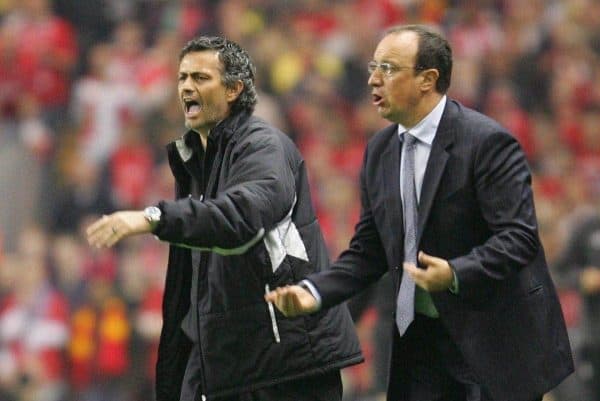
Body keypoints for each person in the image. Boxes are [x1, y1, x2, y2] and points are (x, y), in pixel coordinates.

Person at [266, 24, 574, 401]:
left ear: (427, 80)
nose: (373, 80)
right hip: (419, 344)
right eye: (372, 67)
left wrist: (455, 274)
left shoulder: (488, 143)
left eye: (389, 69)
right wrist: (313, 292)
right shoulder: (380, 151)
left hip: (493, 340)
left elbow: (519, 238)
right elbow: (368, 251)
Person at [86, 36, 362, 401]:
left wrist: (154, 218)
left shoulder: (264, 147)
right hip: (230, 362)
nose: (186, 86)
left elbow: (242, 219)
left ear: (233, 89)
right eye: (182, 77)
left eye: (201, 78)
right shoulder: (199, 161)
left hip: (286, 368)